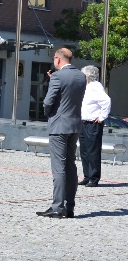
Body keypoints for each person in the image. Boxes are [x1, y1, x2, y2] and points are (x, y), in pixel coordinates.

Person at [37, 48, 86, 219]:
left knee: (59, 168)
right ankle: (70, 207)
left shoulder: (57, 77)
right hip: (74, 125)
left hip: (59, 125)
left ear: (58, 59)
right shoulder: (81, 76)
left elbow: (48, 101)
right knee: (70, 166)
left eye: (54, 59)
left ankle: (57, 207)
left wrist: (48, 113)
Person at [78, 65, 111, 188]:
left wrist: (101, 117)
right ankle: (87, 176)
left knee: (93, 151)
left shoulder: (95, 87)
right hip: (83, 122)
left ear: (87, 76)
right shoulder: (86, 87)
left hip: (92, 123)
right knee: (84, 151)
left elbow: (106, 101)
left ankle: (94, 178)